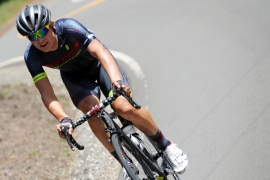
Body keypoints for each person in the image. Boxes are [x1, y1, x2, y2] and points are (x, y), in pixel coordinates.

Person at [16, 4, 188, 179]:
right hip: (75, 78)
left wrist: (117, 81)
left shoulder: (69, 28)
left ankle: (166, 145)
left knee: (124, 108)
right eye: (32, 36)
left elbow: (100, 51)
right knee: (92, 112)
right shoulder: (32, 57)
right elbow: (46, 93)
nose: (38, 40)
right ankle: (125, 163)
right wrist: (63, 119)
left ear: (51, 24)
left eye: (41, 32)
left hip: (99, 66)